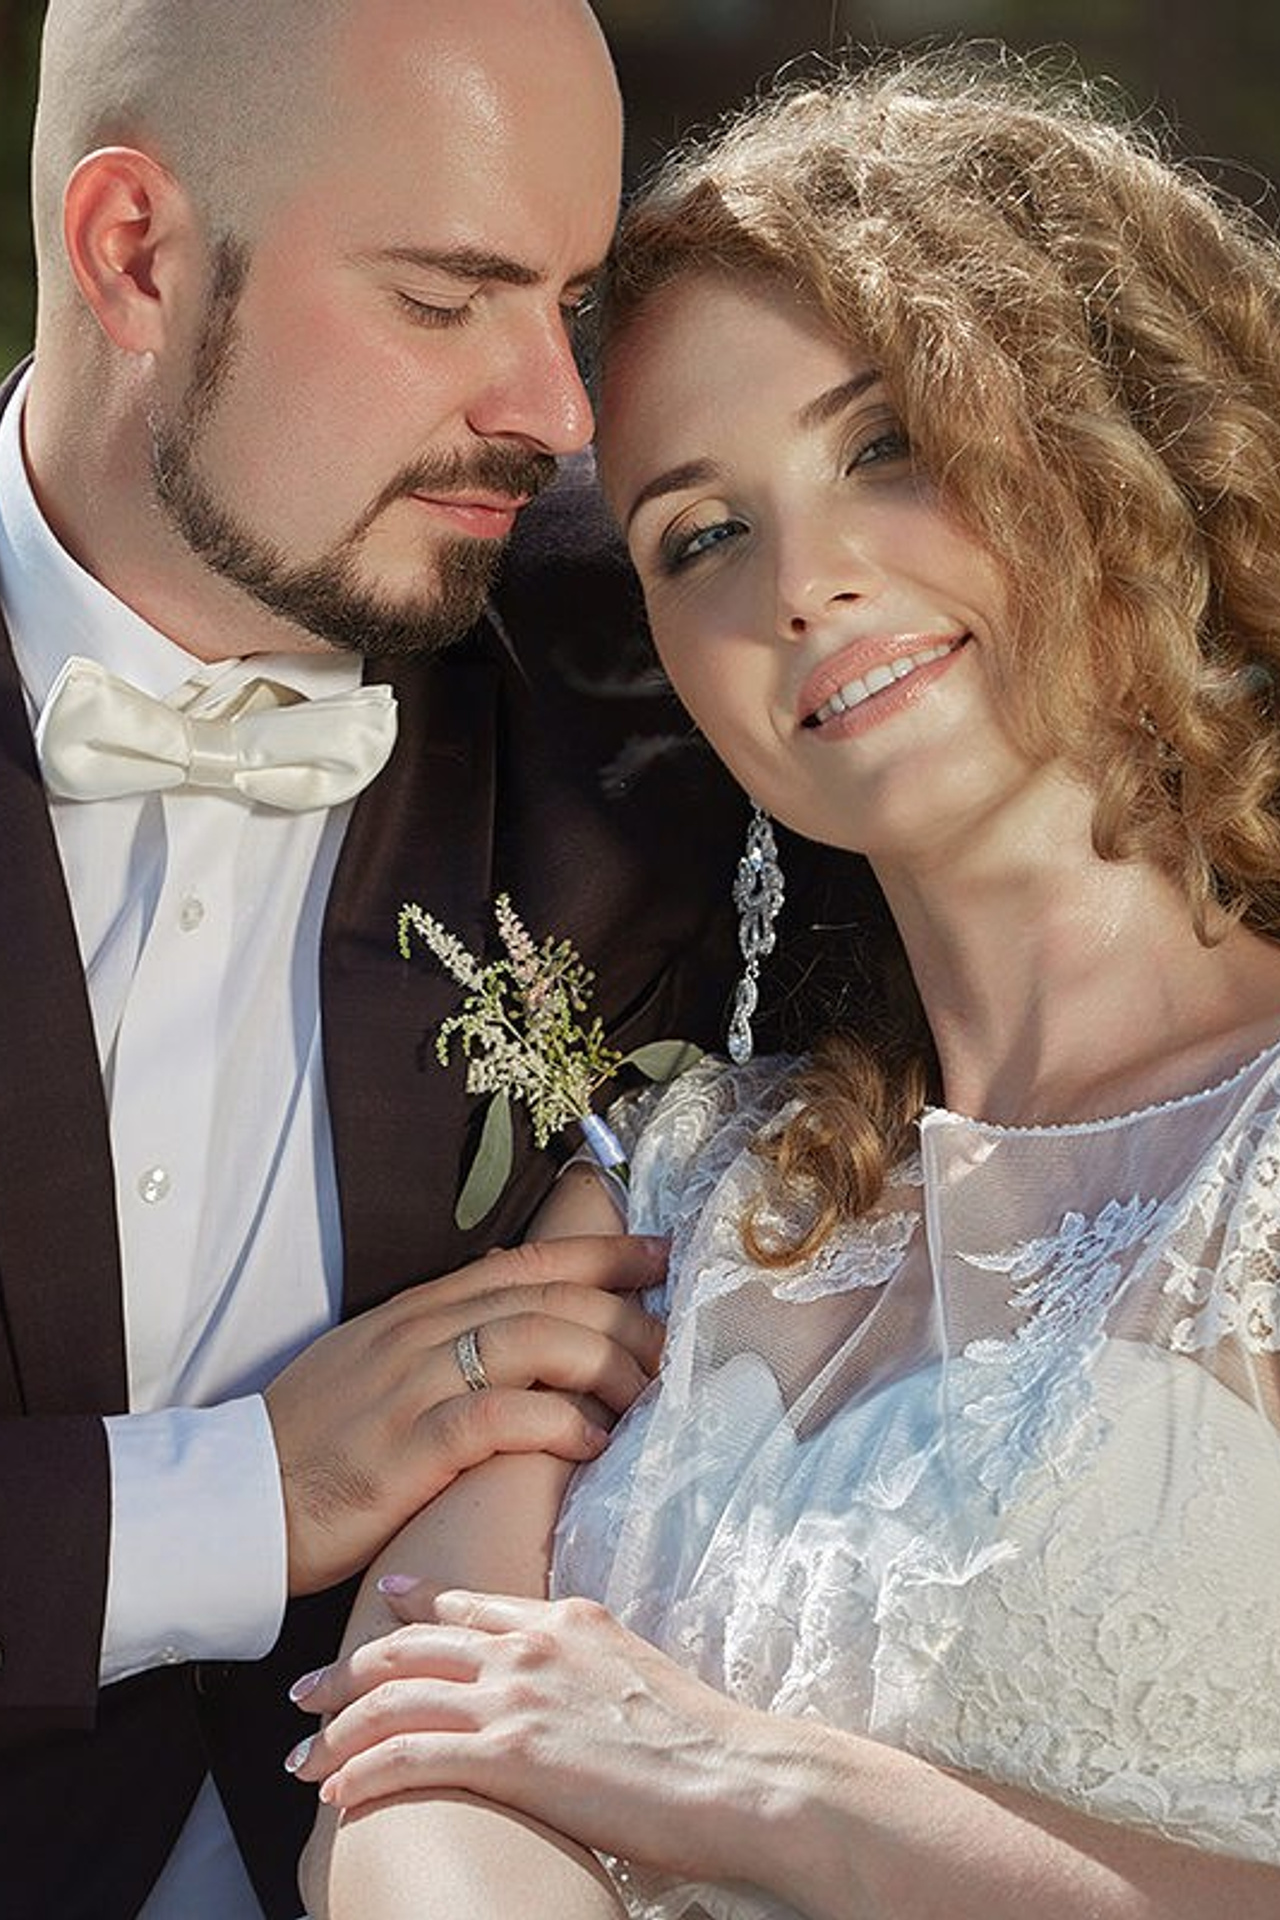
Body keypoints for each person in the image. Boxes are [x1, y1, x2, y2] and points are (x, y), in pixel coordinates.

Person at [290, 49, 1280, 1920]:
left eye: (888, 442)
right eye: (702, 534)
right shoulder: (668, 1185)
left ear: (1111, 440)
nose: (802, 582)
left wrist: (753, 1783)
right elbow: (403, 1759)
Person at [0, 2, 757, 1915]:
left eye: (568, 296)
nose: (560, 409)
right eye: (447, 298)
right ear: (136, 255)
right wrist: (235, 1498)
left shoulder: (681, 639)